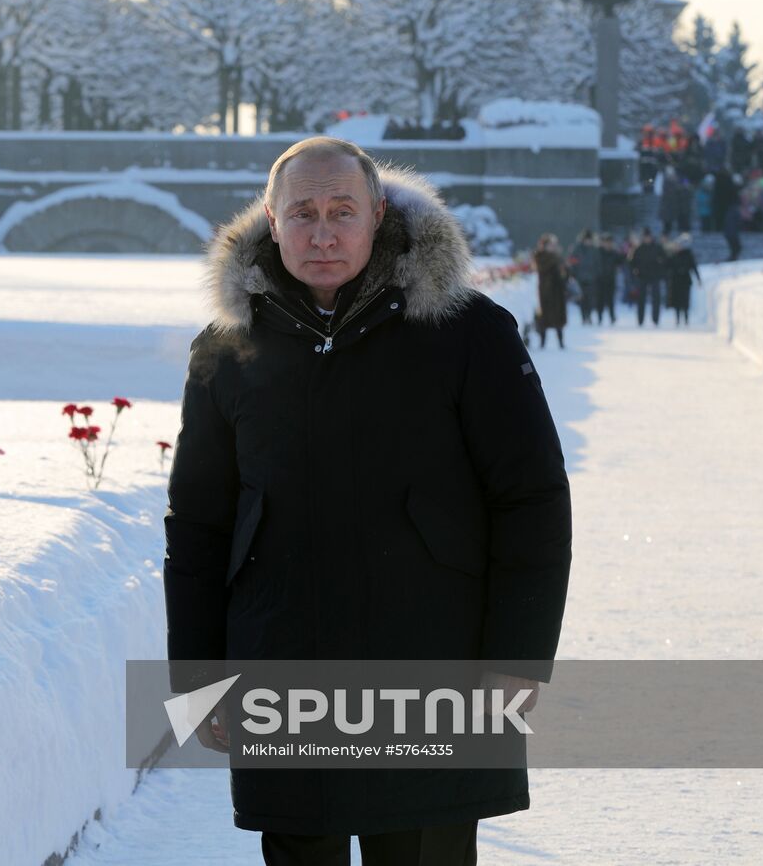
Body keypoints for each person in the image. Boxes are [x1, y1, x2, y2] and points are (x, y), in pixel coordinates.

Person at [165, 137, 572, 866]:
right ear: (272, 219)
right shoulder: (227, 351)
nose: (322, 234)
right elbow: (199, 524)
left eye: (342, 211)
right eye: (303, 213)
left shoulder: (467, 333)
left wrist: (518, 657)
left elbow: (531, 500)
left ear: (378, 214)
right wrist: (197, 675)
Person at [532, 233, 569, 348]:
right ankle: (542, 342)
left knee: (558, 317)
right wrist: (556, 258)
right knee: (544, 317)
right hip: (546, 291)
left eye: (554, 245)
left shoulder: (558, 257)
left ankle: (561, 342)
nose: (552, 247)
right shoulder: (540, 257)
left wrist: (565, 271)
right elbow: (542, 268)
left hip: (558, 291)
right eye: (550, 245)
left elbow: (565, 272)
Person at [627, 228, 667, 325]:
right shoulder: (638, 248)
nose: (647, 239)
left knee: (656, 298)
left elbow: (665, 260)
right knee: (641, 299)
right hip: (642, 276)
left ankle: (655, 319)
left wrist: (661, 271)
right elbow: (632, 262)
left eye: (648, 237)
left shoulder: (657, 247)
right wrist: (635, 272)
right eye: (645, 237)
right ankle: (640, 320)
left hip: (655, 276)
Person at [567, 229, 601, 324]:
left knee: (590, 298)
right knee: (582, 298)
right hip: (580, 277)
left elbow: (598, 263)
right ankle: (584, 316)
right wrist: (573, 273)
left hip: (591, 277)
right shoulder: (577, 249)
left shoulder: (594, 250)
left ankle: (588, 315)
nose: (588, 241)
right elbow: (572, 261)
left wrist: (597, 274)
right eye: (586, 239)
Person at [666, 234, 701, 326]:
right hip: (675, 281)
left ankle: (686, 319)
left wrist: (698, 278)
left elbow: (693, 267)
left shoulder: (688, 255)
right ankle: (677, 319)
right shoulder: (673, 255)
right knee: (676, 301)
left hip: (685, 281)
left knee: (685, 301)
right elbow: (668, 266)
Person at [595, 232, 622, 324]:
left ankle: (612, 316)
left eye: (609, 242)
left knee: (611, 299)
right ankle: (600, 317)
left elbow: (621, 261)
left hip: (611, 279)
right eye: (606, 242)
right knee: (600, 299)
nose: (607, 244)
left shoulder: (614, 253)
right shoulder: (598, 252)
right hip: (600, 279)